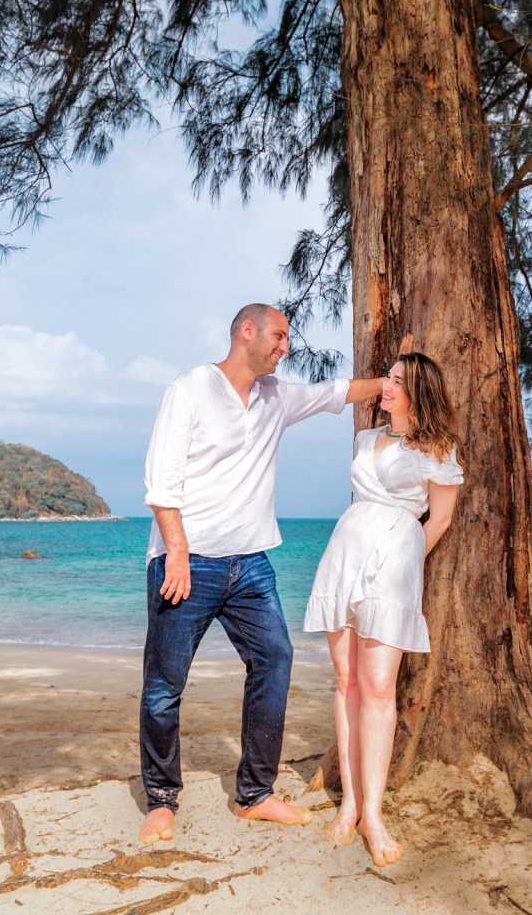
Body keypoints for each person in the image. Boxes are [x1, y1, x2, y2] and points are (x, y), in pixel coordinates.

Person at [138, 303, 384, 845]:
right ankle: (160, 800)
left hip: (251, 564)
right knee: (164, 685)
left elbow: (336, 391)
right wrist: (176, 552)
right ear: (246, 331)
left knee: (275, 658)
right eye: (279, 335)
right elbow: (161, 482)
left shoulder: (277, 396)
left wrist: (393, 380)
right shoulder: (191, 389)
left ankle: (255, 794)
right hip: (188, 562)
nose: (285, 346)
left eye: (287, 338)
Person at [302, 352, 463, 866]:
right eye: (387, 379)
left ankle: (374, 812)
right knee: (346, 681)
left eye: (395, 381)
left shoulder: (439, 448)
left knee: (377, 688)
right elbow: (359, 498)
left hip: (394, 564)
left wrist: (402, 556)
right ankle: (349, 802)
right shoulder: (364, 438)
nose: (384, 386)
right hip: (344, 551)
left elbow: (437, 521)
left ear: (418, 390)